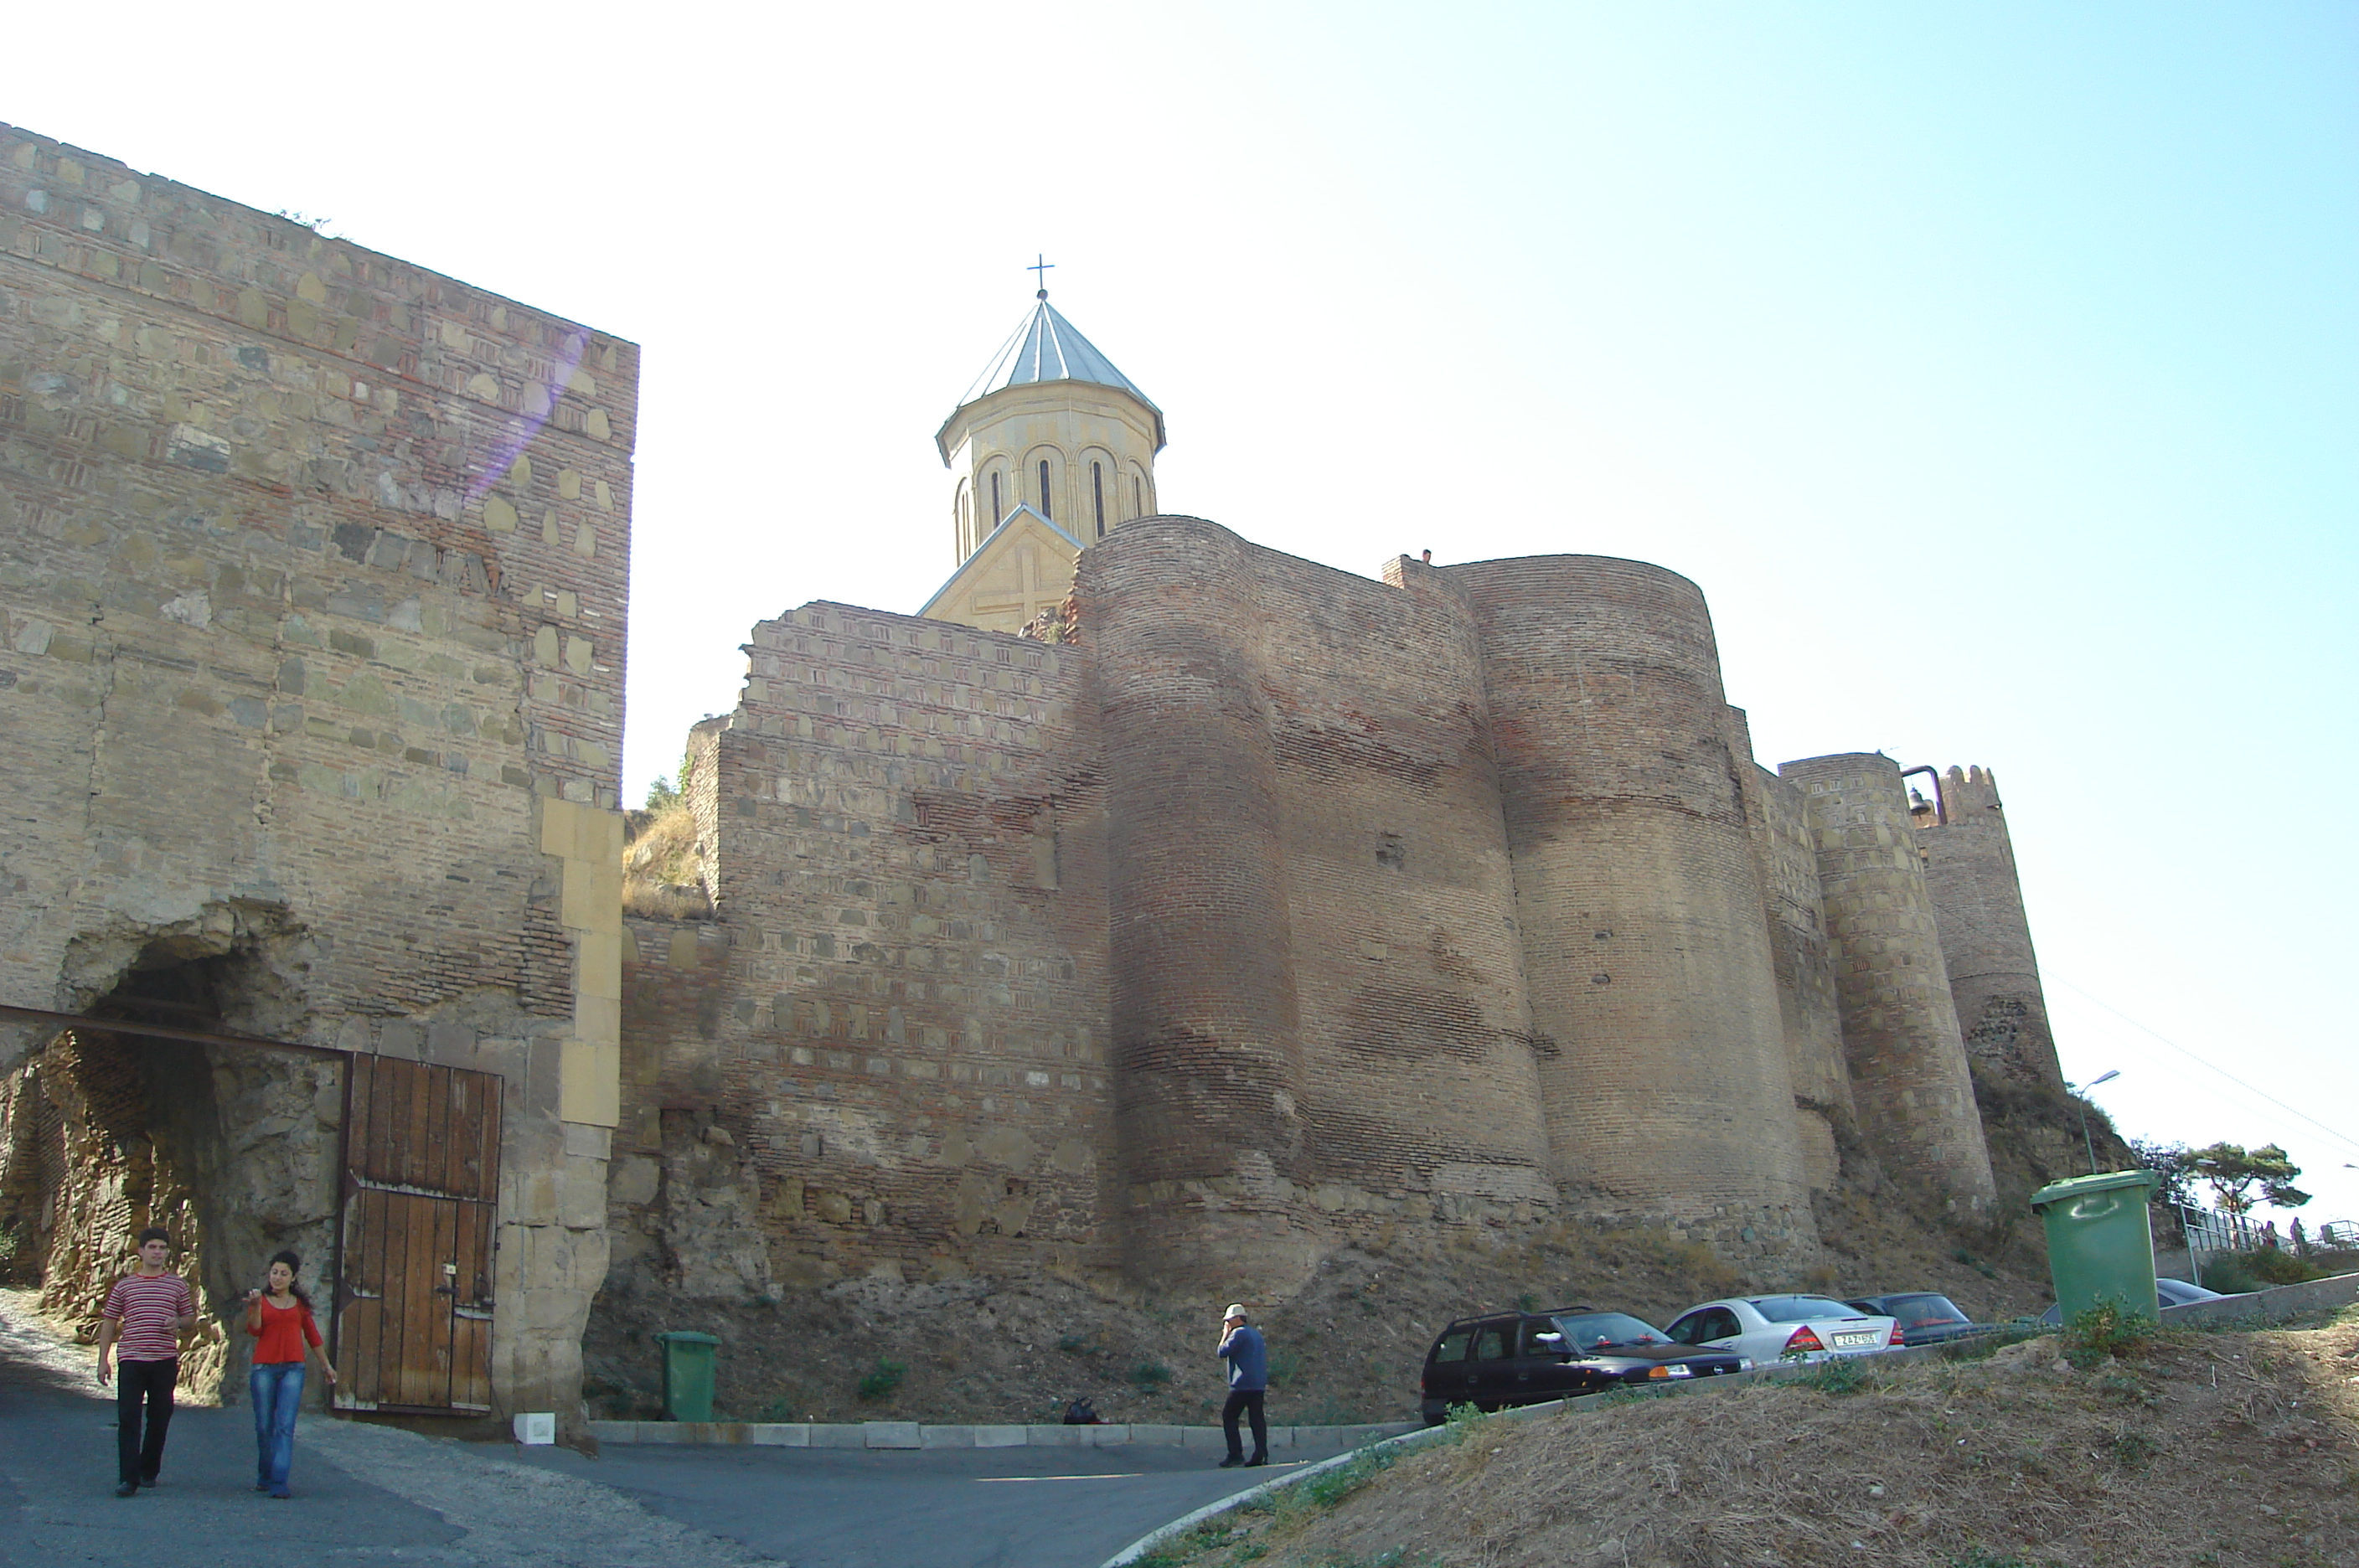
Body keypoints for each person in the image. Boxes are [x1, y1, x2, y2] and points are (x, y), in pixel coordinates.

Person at [96, 1226, 199, 1497]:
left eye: (162, 1248)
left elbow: (190, 1320)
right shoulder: (125, 1287)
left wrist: (178, 1322)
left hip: (164, 1359)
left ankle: (148, 1470)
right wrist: (103, 1360)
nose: (157, 1252)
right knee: (128, 1417)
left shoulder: (177, 1284)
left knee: (160, 1416)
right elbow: (109, 1322)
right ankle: (128, 1478)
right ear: (141, 1252)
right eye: (152, 1247)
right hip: (131, 1358)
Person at [244, 1250, 338, 1498]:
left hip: (293, 1369)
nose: (277, 1278)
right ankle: (265, 1474)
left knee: (284, 1425)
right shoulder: (261, 1300)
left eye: (283, 1274)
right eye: (274, 1272)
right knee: (265, 1425)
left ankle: (279, 1480)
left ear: (293, 1277)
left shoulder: (299, 1305)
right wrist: (254, 1307)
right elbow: (254, 1330)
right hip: (264, 1368)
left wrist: (326, 1366)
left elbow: (313, 1335)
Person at [1215, 1303, 1268, 1468]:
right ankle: (1261, 1453)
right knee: (1257, 1419)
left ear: (1238, 1319)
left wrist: (1225, 1335)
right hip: (1258, 1383)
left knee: (1229, 1416)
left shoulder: (1238, 1334)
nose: (1228, 1323)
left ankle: (1235, 1454)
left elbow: (1222, 1352)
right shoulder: (1256, 1334)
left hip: (1242, 1383)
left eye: (1230, 1320)